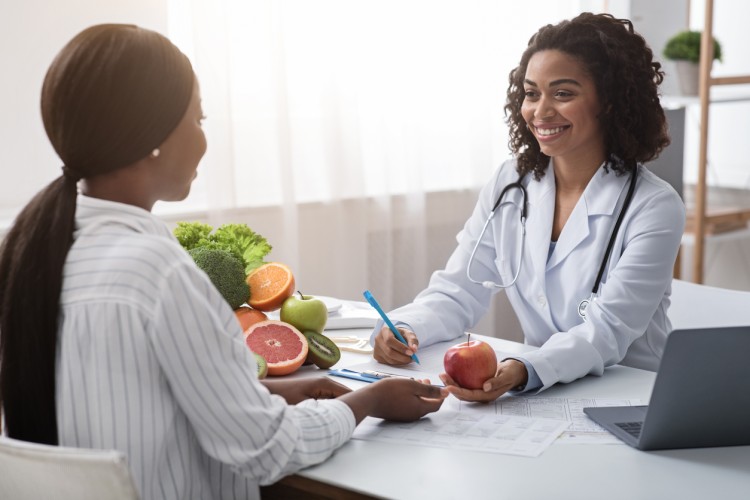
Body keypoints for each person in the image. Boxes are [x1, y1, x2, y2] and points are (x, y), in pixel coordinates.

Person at [0, 24, 446, 499]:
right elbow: (267, 450)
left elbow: (127, 404)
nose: (203, 140)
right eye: (198, 119)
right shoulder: (159, 272)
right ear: (152, 136)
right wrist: (368, 400)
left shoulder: (29, 251)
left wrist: (264, 395)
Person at [372, 13, 686, 403]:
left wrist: (525, 370)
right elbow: (458, 290)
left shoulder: (653, 206)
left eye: (563, 93)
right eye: (532, 93)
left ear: (610, 101)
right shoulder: (511, 183)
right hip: (543, 393)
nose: (540, 111)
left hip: (629, 395)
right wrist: (403, 327)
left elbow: (607, 331)